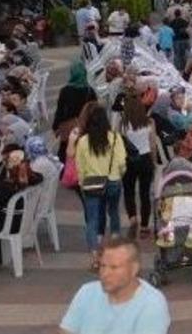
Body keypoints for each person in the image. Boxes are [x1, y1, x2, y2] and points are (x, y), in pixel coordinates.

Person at [60, 237, 170, 334]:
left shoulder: (152, 304)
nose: (105, 274)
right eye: (103, 266)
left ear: (134, 269)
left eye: (114, 267)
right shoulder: (86, 292)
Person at [76, 106, 127, 270]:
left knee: (92, 220)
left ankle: (95, 256)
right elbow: (121, 162)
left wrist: (82, 182)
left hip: (91, 183)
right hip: (113, 181)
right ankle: (115, 249)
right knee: (113, 213)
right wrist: (119, 174)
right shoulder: (115, 138)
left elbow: (80, 167)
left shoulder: (83, 141)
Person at [119, 94, 158, 239]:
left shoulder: (123, 124)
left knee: (128, 191)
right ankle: (144, 226)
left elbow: (120, 144)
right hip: (145, 158)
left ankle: (133, 218)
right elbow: (153, 144)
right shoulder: (149, 122)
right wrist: (153, 162)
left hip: (129, 160)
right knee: (144, 193)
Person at [52, 60, 98, 161]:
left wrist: (56, 126)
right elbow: (95, 111)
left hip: (69, 126)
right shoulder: (90, 91)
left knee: (67, 153)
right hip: (85, 126)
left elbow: (60, 110)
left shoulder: (65, 91)